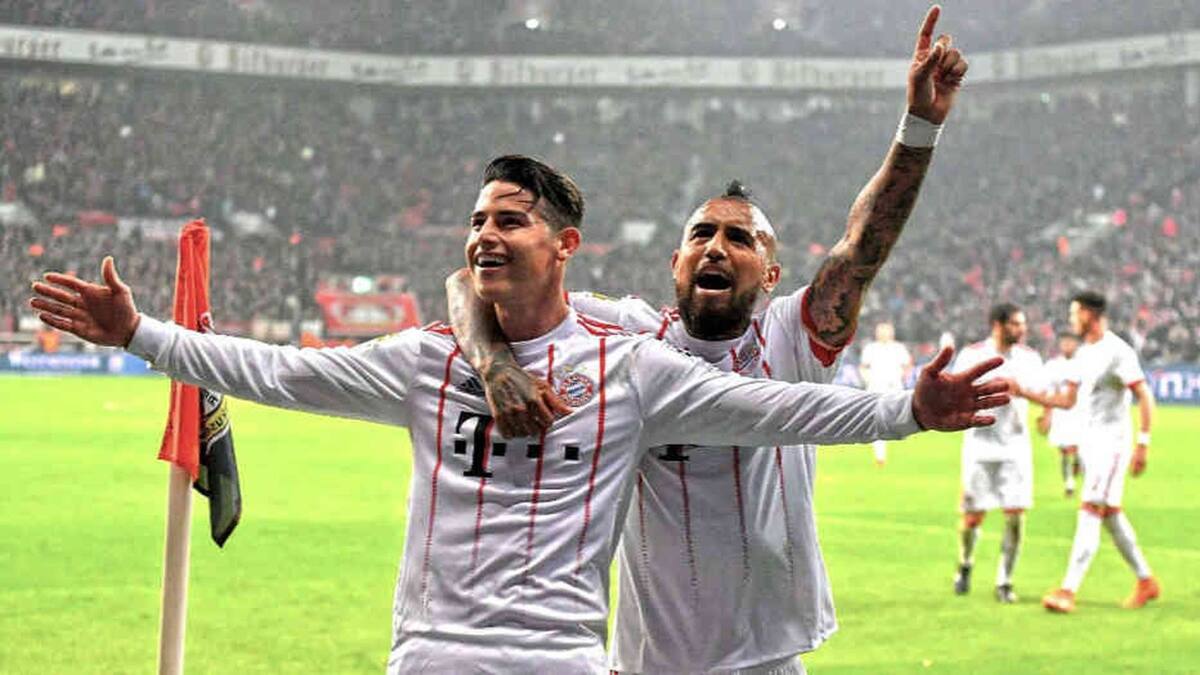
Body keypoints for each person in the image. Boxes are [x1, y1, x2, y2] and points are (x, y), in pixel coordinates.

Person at [30, 155, 1003, 673]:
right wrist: (143, 332)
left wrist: (907, 411)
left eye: (510, 220)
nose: (484, 236)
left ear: (565, 244)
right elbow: (283, 371)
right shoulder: (438, 356)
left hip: (584, 656)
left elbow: (784, 408)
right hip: (439, 653)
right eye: (478, 222)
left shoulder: (635, 367)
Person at [445, 8, 969, 673]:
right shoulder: (627, 335)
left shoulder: (791, 339)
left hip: (765, 659)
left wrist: (920, 125)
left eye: (739, 238)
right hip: (646, 661)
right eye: (701, 234)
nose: (716, 247)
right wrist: (494, 363)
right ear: (676, 263)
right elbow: (469, 283)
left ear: (771, 275)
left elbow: (861, 246)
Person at [1005, 292, 1159, 614]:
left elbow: (1144, 395)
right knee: (1110, 514)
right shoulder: (1084, 354)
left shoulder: (1117, 351)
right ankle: (1146, 581)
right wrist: (1024, 393)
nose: (1071, 319)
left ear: (1089, 314)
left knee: (1090, 508)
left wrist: (1143, 442)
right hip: (1090, 444)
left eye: (1075, 313)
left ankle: (1068, 590)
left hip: (1112, 445)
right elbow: (1067, 401)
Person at [950, 303, 1044, 604]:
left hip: (1016, 447)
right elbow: (954, 394)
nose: (1022, 329)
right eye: (1016, 324)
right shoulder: (972, 355)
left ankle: (1005, 580)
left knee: (1015, 516)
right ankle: (965, 562)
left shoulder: (1030, 358)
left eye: (1022, 324)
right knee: (972, 518)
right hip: (980, 446)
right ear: (998, 325)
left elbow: (1042, 393)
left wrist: (1037, 404)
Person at [859, 321, 914, 466]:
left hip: (894, 387)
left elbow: (908, 365)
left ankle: (898, 443)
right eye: (881, 330)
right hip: (876, 387)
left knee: (898, 419)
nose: (884, 333)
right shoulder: (871, 348)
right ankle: (880, 455)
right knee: (877, 420)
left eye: (886, 330)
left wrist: (902, 377)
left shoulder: (898, 348)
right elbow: (863, 366)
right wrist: (867, 379)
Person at [1039, 331, 1083, 497]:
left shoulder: (1084, 364)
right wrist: (1046, 415)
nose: (1067, 345)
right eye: (1064, 342)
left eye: (1070, 342)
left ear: (1076, 344)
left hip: (1080, 411)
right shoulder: (1052, 366)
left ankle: (1078, 461)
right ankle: (1069, 484)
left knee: (1079, 448)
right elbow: (1047, 392)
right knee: (1063, 449)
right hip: (1060, 412)